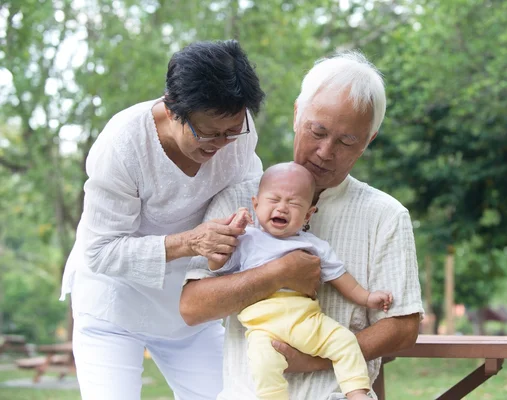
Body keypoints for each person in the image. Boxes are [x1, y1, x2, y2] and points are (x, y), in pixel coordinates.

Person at [181, 51, 424, 400]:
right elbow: (192, 307)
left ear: (368, 140)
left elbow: (403, 326)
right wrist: (277, 273)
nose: (325, 151)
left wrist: (314, 359)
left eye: (346, 141)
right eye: (318, 131)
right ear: (297, 115)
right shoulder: (238, 199)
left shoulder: (386, 215)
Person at [58, 40, 270, 400]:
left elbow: (244, 199)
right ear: (173, 110)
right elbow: (100, 251)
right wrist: (190, 242)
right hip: (113, 304)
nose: (221, 143)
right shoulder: (123, 146)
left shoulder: (239, 132)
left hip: (187, 311)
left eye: (231, 130)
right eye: (207, 132)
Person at [209, 162, 393, 400]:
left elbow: (341, 277)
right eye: (273, 200)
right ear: (256, 205)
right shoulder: (247, 240)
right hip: (263, 327)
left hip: (307, 321)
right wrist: (230, 234)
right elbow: (217, 266)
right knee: (262, 363)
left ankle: (356, 392)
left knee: (345, 342)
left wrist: (367, 298)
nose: (282, 208)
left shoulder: (312, 244)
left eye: (293, 203)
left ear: (308, 214)